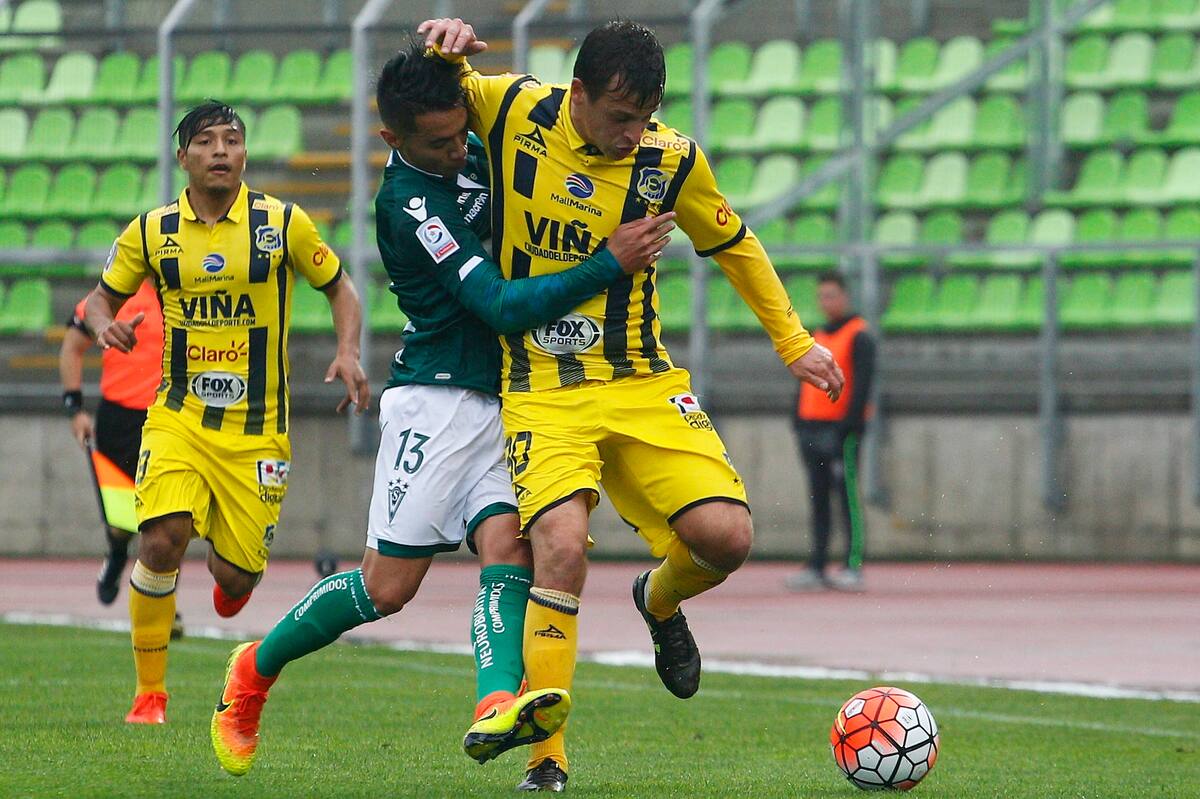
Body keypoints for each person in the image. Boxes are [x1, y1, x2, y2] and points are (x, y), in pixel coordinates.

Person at [207, 45, 677, 778]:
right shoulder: (409, 205)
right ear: (394, 139)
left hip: (517, 397)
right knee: (385, 588)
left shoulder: (473, 140)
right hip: (438, 401)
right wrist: (607, 263)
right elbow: (498, 303)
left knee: (509, 546)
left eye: (464, 133)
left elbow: (536, 121)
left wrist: (451, 40)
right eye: (441, 142)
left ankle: (495, 701)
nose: (461, 149)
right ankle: (253, 672)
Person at [417, 17, 845, 791]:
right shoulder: (511, 107)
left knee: (728, 536)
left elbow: (736, 245)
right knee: (562, 546)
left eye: (643, 118)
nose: (631, 134)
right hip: (544, 387)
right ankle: (548, 762)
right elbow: (425, 96)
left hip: (642, 378)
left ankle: (658, 596)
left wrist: (795, 343)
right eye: (619, 117)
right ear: (576, 93)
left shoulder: (672, 159)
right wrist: (433, 47)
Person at [85, 100, 369, 725]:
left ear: (245, 154)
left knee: (236, 580)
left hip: (259, 431)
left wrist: (348, 352)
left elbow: (341, 287)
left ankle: (228, 565)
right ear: (183, 156)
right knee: (160, 537)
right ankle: (149, 695)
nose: (220, 151)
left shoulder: (283, 223)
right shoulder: (151, 231)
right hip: (178, 416)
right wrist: (107, 327)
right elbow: (97, 302)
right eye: (207, 141)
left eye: (232, 141)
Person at [60, 282, 162, 606]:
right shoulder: (118, 290)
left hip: (170, 419)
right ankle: (117, 553)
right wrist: (75, 408)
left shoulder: (188, 286)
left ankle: (158, 600)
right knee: (122, 522)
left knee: (163, 521)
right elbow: (72, 346)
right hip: (120, 418)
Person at [787, 273, 875, 593]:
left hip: (841, 430)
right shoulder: (817, 335)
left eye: (832, 295)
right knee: (818, 497)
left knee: (847, 496)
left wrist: (848, 425)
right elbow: (805, 380)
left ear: (845, 297)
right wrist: (797, 417)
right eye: (822, 296)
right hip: (811, 426)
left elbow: (862, 385)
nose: (827, 302)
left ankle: (853, 564)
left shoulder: (859, 335)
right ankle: (818, 563)